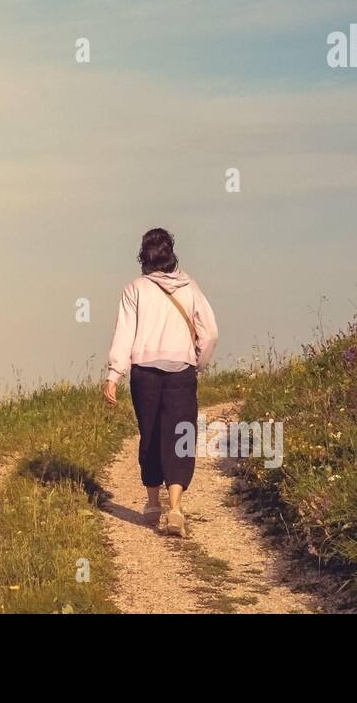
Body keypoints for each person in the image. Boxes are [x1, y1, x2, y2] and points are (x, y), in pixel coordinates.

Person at [102, 228, 218, 537]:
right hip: (182, 371)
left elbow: (124, 334)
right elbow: (210, 334)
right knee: (181, 435)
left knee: (151, 434)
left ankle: (153, 505)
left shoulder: (134, 289)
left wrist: (115, 374)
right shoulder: (190, 287)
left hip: (145, 374)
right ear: (172, 254)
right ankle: (176, 509)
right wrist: (198, 363)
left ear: (143, 256)